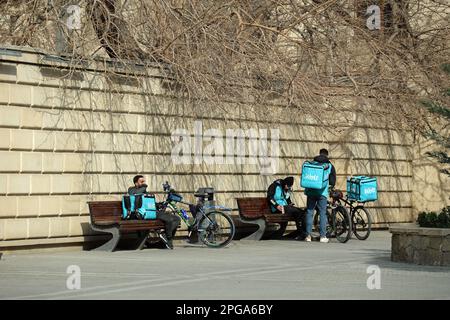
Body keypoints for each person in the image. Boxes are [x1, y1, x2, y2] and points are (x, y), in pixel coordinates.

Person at [128, 175, 180, 249]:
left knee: (177, 219)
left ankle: (165, 236)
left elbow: (150, 203)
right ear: (136, 183)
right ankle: (168, 239)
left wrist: (159, 205)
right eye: (141, 181)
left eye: (144, 181)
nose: (143, 183)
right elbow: (135, 194)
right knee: (169, 220)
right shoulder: (131, 190)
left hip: (152, 211)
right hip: (143, 213)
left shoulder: (144, 191)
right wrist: (144, 187)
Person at [304, 149, 336, 243]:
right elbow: (332, 180)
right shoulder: (329, 165)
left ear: (319, 154)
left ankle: (308, 236)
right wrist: (331, 187)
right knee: (323, 213)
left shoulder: (312, 163)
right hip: (322, 192)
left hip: (310, 191)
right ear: (327, 155)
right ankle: (322, 236)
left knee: (310, 213)